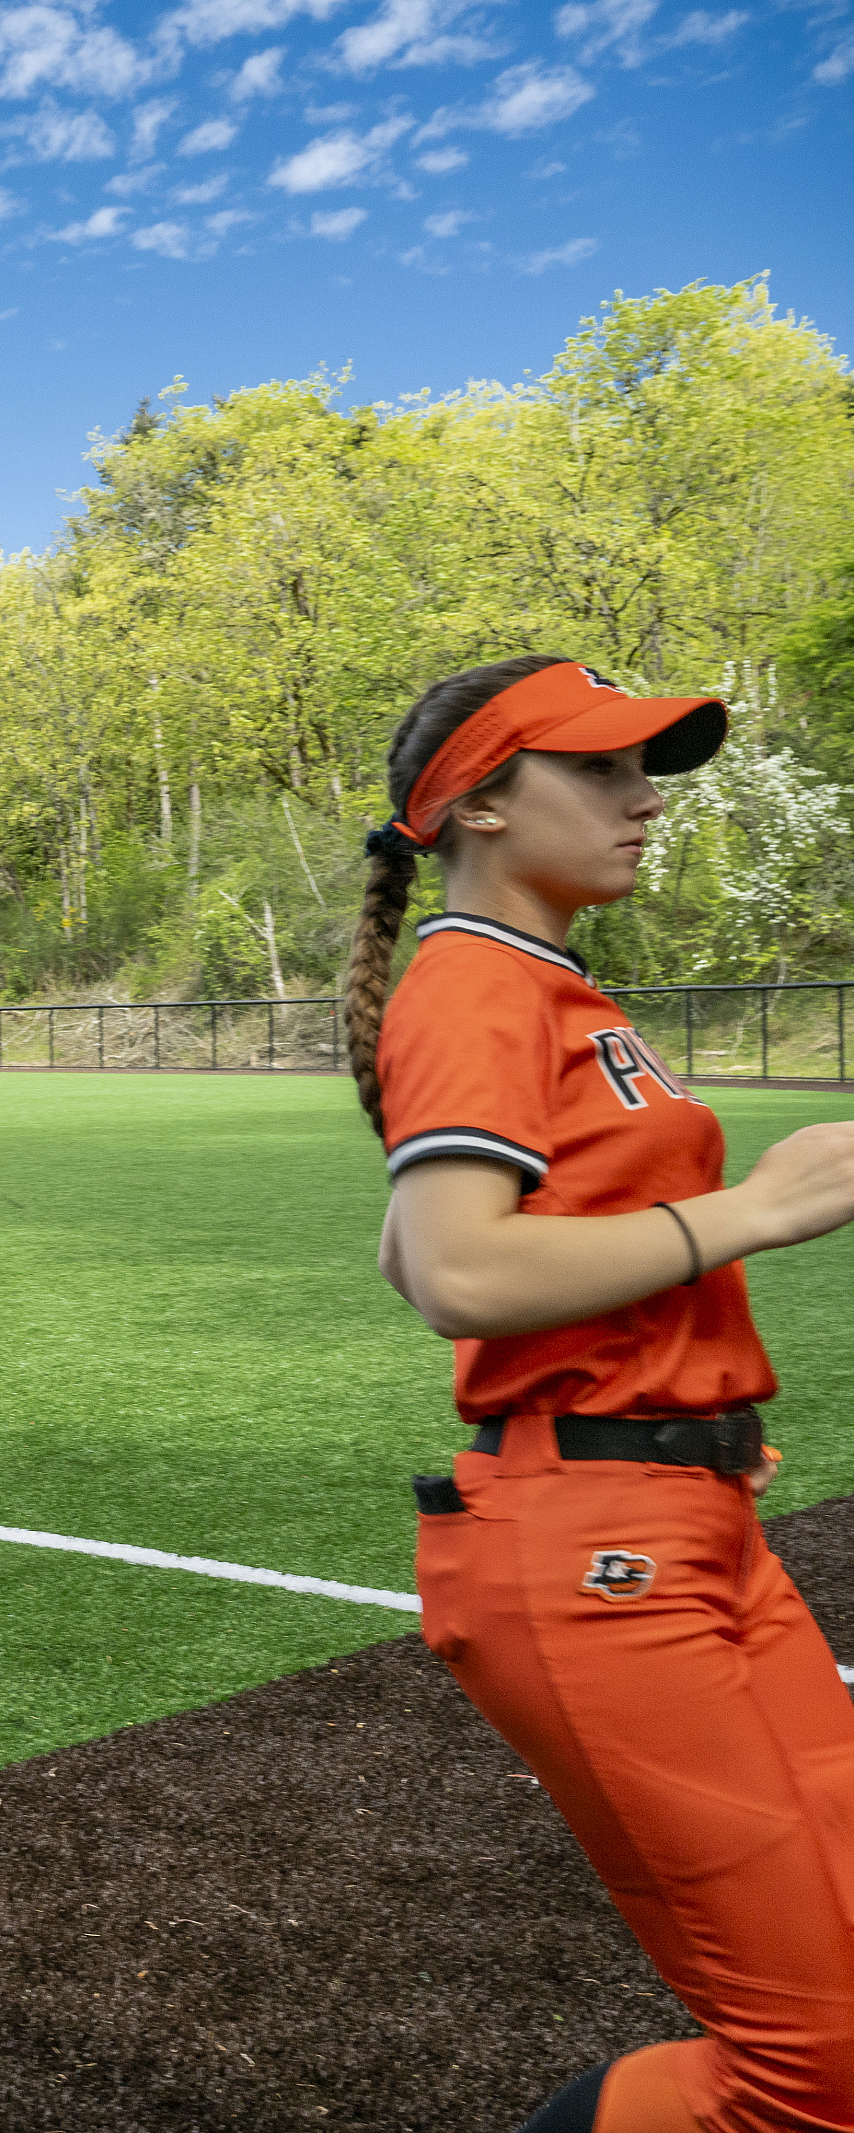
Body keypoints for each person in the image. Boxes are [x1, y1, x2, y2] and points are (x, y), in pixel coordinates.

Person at [349, 656, 854, 2133]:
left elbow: (405, 1246)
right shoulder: (478, 981)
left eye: (650, 771)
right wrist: (754, 1208)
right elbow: (457, 1274)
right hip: (593, 1555)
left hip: (682, 1526)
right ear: (483, 802)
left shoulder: (545, 986)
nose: (646, 801)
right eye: (606, 770)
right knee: (811, 2076)